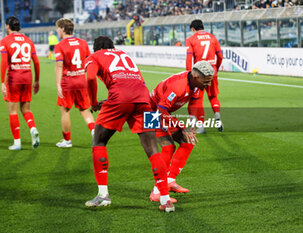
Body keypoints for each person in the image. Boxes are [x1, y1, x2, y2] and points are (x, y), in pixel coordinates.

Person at [84, 36, 175, 212]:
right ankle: (165, 200)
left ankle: (103, 196)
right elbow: (138, 80)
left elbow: (90, 78)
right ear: (113, 46)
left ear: (95, 48)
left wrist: (93, 102)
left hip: (119, 97)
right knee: (153, 149)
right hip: (144, 98)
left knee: (99, 140)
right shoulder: (125, 55)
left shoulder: (94, 56)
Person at [149, 61, 214, 200]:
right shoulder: (177, 85)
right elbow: (161, 110)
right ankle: (156, 191)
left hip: (163, 112)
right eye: (206, 81)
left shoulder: (197, 86)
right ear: (196, 77)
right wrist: (181, 127)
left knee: (188, 141)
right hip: (150, 112)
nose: (208, 84)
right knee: (168, 146)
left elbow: (194, 105)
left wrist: (191, 126)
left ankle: (170, 181)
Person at [0, 16, 40, 150]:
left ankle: (17, 142)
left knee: (13, 111)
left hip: (13, 78)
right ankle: (32, 128)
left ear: (7, 26)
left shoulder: (5, 41)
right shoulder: (28, 40)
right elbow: (36, 62)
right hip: (27, 77)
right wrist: (37, 81)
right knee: (26, 109)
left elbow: (4, 63)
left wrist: (1, 82)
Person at [54, 18, 95, 148]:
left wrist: (58, 84)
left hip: (68, 82)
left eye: (58, 28)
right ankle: (95, 133)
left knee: (65, 111)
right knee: (84, 110)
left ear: (63, 29)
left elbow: (59, 66)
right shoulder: (83, 43)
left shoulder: (60, 45)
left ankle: (67, 141)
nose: (57, 30)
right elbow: (89, 62)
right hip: (81, 80)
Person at [186, 19, 223, 133]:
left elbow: (189, 58)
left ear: (193, 29)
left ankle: (201, 126)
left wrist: (189, 73)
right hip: (212, 71)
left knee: (197, 100)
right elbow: (220, 56)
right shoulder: (213, 37)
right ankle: (217, 116)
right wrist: (216, 67)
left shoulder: (191, 39)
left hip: (199, 73)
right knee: (213, 96)